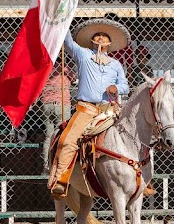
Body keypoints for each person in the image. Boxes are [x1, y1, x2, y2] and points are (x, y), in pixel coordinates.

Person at [49, 18, 130, 197]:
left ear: (110, 42)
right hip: (86, 110)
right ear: (92, 40)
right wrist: (64, 17)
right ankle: (61, 179)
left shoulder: (116, 65)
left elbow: (126, 86)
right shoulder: (83, 55)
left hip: (111, 110)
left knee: (136, 134)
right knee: (68, 140)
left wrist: (117, 88)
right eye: (97, 35)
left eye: (104, 36)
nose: (100, 38)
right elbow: (67, 42)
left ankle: (142, 181)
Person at [40, 62, 76, 167]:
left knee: (49, 136)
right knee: (62, 134)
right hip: (62, 103)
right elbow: (73, 79)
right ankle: (60, 164)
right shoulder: (64, 67)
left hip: (46, 103)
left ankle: (46, 165)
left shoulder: (44, 67)